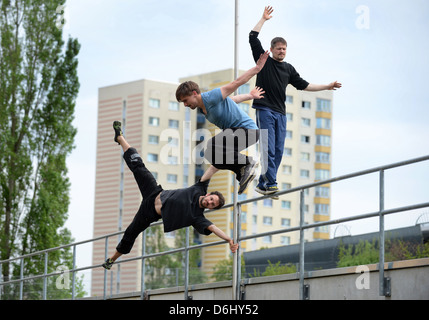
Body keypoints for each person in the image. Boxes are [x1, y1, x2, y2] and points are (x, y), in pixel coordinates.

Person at [102, 121, 238, 270]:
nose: (209, 202)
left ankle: (111, 259)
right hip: (153, 192)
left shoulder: (197, 217)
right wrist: (228, 155)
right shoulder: (200, 188)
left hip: (149, 213)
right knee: (139, 167)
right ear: (209, 194)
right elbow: (213, 168)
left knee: (131, 233)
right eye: (211, 199)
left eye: (213, 205)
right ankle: (120, 138)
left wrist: (228, 239)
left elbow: (213, 228)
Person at [250, 6, 342, 198]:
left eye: (284, 49)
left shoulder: (289, 69)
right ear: (272, 49)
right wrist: (263, 20)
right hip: (265, 109)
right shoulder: (264, 60)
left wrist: (327, 86)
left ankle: (263, 183)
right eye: (278, 49)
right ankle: (271, 183)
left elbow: (304, 85)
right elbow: (252, 37)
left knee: (278, 150)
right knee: (268, 148)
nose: (282, 51)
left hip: (281, 113)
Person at [176, 51, 269, 194]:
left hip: (247, 131)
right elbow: (232, 100)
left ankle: (247, 162)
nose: (185, 105)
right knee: (212, 156)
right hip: (238, 133)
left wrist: (257, 69)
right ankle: (242, 170)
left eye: (185, 101)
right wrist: (250, 95)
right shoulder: (203, 108)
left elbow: (236, 83)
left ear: (194, 94)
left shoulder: (210, 97)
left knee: (211, 146)